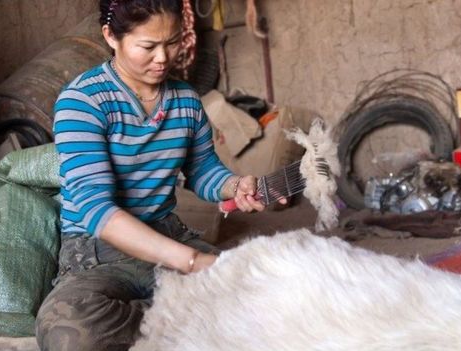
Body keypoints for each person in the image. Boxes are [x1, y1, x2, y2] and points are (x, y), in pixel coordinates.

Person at [35, 1, 279, 350]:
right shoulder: (83, 101)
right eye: (148, 46)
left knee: (263, 292)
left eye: (173, 42)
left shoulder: (186, 101)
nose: (163, 58)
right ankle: (182, 314)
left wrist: (235, 185)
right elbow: (96, 209)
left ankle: (169, 315)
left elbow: (202, 170)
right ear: (111, 36)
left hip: (164, 231)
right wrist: (191, 261)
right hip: (99, 251)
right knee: (69, 333)